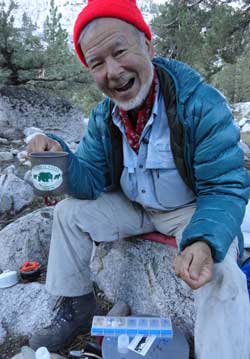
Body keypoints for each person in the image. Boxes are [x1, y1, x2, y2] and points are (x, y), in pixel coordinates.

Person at [27, 0, 250, 357]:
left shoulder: (200, 104)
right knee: (68, 214)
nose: (112, 71)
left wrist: (204, 241)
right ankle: (76, 304)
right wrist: (60, 156)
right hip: (134, 206)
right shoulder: (104, 117)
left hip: (190, 210)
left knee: (220, 271)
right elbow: (88, 181)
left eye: (119, 51)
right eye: (97, 63)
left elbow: (225, 187)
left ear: (148, 45)